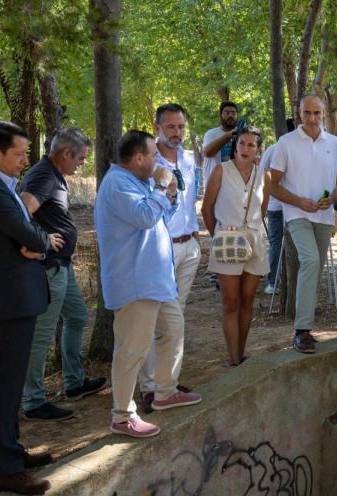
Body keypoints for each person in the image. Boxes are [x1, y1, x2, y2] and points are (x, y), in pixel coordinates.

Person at [0, 121, 63, 495]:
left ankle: (13, 451)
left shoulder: (1, 186)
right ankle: (7, 469)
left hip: (17, 294)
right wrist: (37, 242)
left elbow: (29, 235)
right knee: (6, 385)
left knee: (11, 380)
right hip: (8, 298)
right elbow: (30, 234)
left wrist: (33, 243)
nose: (26, 160)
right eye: (19, 153)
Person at [95, 130, 202, 438]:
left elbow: (158, 218)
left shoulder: (138, 182)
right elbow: (143, 216)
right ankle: (122, 415)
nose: (157, 160)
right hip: (135, 283)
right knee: (132, 350)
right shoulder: (116, 184)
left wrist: (168, 195)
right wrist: (160, 185)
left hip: (156, 279)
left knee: (173, 330)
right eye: (153, 154)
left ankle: (165, 393)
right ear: (139, 157)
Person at [19, 128, 107, 422]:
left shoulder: (54, 176)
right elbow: (20, 214)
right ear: (65, 153)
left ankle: (74, 382)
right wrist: (35, 245)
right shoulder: (43, 176)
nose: (82, 163)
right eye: (80, 157)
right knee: (42, 333)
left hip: (62, 266)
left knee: (78, 315)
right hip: (49, 267)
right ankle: (33, 400)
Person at [269, 94, 337, 354]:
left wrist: (331, 200)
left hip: (324, 216)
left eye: (317, 113)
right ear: (299, 113)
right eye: (307, 113)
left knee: (314, 269)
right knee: (311, 260)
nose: (312, 118)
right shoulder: (285, 143)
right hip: (296, 214)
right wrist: (298, 202)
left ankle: (305, 329)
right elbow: (272, 184)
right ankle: (301, 330)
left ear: (323, 114)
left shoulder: (334, 143)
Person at [139, 103, 200, 407]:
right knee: (156, 317)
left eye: (181, 127)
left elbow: (192, 198)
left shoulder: (189, 158)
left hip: (189, 244)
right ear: (158, 126)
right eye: (171, 127)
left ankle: (166, 382)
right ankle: (150, 386)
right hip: (162, 248)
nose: (177, 133)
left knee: (176, 314)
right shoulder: (149, 162)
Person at [201, 126, 269, 366]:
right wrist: (217, 236)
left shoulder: (264, 175)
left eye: (252, 145)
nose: (246, 148)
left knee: (248, 299)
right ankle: (234, 360)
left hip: (254, 240)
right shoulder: (221, 171)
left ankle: (241, 353)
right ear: (235, 145)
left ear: (258, 149)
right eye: (242, 143)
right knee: (230, 301)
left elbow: (262, 211)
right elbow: (206, 208)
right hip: (227, 240)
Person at [263, 120, 295, 296]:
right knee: (278, 243)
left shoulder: (272, 149)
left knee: (278, 243)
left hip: (288, 205)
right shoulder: (277, 149)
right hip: (279, 206)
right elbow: (264, 177)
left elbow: (262, 174)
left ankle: (276, 281)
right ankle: (274, 281)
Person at [202, 101, 240, 190]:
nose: (231, 115)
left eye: (233, 113)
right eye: (227, 113)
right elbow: (207, 153)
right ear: (220, 115)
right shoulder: (211, 134)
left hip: (234, 186)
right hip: (214, 186)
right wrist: (227, 136)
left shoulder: (242, 134)